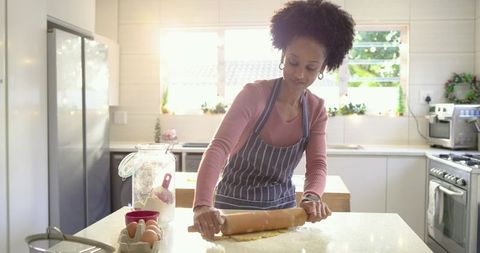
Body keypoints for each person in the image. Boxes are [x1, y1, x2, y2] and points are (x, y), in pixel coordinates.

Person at [192, 0, 355, 240]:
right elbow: (218, 149)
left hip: (283, 213)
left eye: (311, 67)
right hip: (232, 212)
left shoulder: (316, 109)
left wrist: (312, 197)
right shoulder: (254, 95)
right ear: (282, 55)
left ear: (323, 68)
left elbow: (317, 165)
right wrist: (202, 205)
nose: (300, 74)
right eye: (293, 62)